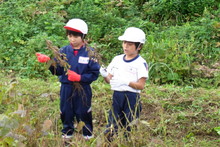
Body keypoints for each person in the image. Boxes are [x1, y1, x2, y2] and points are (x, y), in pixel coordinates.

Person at [36, 18, 100, 140]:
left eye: (75, 36)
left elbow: (94, 73)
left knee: (83, 112)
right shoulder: (63, 51)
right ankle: (67, 137)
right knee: (66, 112)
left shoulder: (90, 53)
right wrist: (49, 62)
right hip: (66, 88)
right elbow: (58, 71)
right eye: (70, 35)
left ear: (83, 36)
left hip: (83, 88)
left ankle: (87, 137)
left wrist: (80, 77)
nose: (72, 39)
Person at [99, 27, 148, 139]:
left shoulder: (140, 63)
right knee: (112, 124)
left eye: (130, 44)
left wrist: (126, 82)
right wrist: (104, 74)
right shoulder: (117, 59)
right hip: (117, 95)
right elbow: (109, 80)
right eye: (125, 43)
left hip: (132, 97)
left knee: (129, 126)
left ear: (139, 46)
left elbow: (141, 85)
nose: (126, 46)